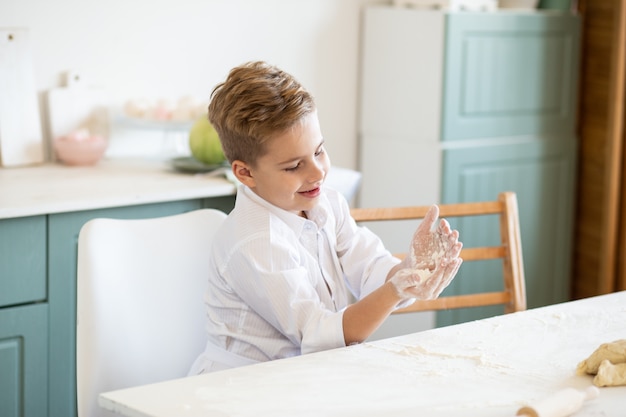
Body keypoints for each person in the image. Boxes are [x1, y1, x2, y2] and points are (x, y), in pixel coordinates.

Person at [189, 61, 463, 374]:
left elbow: (368, 267)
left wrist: (409, 271)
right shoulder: (256, 241)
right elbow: (319, 333)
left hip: (302, 378)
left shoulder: (327, 204)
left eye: (319, 151)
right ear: (245, 172)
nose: (318, 172)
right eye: (294, 166)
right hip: (236, 388)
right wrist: (395, 290)